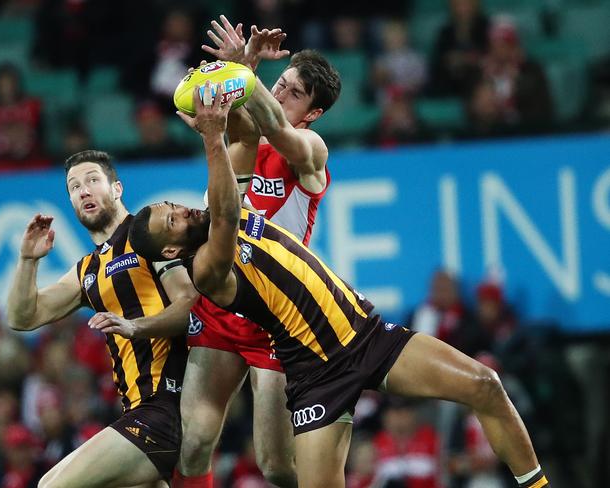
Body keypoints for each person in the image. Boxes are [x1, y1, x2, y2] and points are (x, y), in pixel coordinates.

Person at [128, 82, 550, 488]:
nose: (183, 210)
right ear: (170, 252)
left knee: (485, 385)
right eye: (173, 219)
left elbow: (245, 142)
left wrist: (234, 81)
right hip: (316, 374)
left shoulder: (232, 202)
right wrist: (211, 138)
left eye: (173, 206)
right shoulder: (207, 269)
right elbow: (224, 212)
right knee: (281, 471)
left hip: (366, 333)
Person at [160, 17, 339, 488]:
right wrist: (233, 76)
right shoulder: (241, 138)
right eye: (280, 84)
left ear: (314, 113)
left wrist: (245, 69)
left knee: (277, 467)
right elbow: (237, 121)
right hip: (221, 303)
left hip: (276, 318)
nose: (280, 94)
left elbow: (275, 127)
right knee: (194, 442)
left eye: (294, 92)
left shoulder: (310, 150)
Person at [6, 150, 198, 488]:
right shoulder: (87, 269)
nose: (83, 190)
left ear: (117, 188)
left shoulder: (147, 235)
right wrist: (27, 260)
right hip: (136, 412)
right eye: (74, 186)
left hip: (165, 407)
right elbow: (23, 317)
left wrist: (134, 326)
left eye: (92, 180)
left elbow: (188, 306)